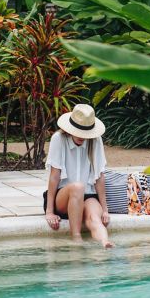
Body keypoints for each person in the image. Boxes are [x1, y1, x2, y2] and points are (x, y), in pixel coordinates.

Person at [44, 104, 114, 248]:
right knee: (77, 187)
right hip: (63, 198)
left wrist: (105, 210)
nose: (82, 136)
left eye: (85, 133)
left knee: (94, 218)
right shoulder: (58, 138)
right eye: (79, 132)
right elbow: (54, 176)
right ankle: (76, 239)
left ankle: (105, 242)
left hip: (88, 195)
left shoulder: (96, 140)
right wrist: (49, 212)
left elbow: (99, 176)